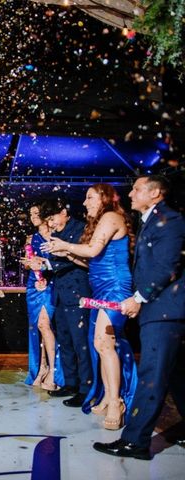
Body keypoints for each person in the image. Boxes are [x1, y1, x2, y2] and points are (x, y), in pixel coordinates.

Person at [94, 175, 185, 459]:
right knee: (176, 375)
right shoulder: (150, 219)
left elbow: (166, 266)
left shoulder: (170, 220)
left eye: (136, 189)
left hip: (165, 311)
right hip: (162, 309)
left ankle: (135, 441)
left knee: (152, 376)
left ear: (155, 193)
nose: (130, 193)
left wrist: (138, 298)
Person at [44, 184, 137, 430]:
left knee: (105, 345)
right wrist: (66, 253)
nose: (85, 203)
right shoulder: (100, 221)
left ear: (104, 198)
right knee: (100, 344)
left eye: (89, 198)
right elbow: (89, 261)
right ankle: (108, 395)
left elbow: (93, 249)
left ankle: (116, 403)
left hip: (115, 287)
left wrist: (64, 245)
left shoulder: (109, 217)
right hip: (100, 288)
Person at [37, 198, 92, 408]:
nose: (50, 224)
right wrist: (44, 264)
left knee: (81, 343)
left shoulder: (80, 228)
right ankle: (71, 383)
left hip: (78, 291)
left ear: (63, 212)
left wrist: (49, 262)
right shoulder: (57, 233)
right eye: (48, 221)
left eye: (52, 218)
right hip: (60, 293)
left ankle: (86, 389)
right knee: (65, 341)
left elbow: (82, 258)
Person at [21, 203, 63, 391]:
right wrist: (31, 263)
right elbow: (28, 265)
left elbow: (60, 262)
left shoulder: (57, 237)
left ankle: (54, 371)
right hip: (34, 285)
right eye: (30, 214)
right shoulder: (31, 238)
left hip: (51, 283)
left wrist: (43, 266)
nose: (32, 216)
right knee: (38, 327)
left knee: (45, 325)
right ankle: (42, 367)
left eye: (36, 213)